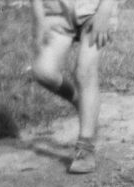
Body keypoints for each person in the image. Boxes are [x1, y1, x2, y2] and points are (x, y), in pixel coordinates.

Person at [30, 0, 120, 174]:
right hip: (57, 13)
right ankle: (81, 103)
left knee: (84, 71)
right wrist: (39, 19)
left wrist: (105, 10)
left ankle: (85, 148)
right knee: (43, 71)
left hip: (95, 11)